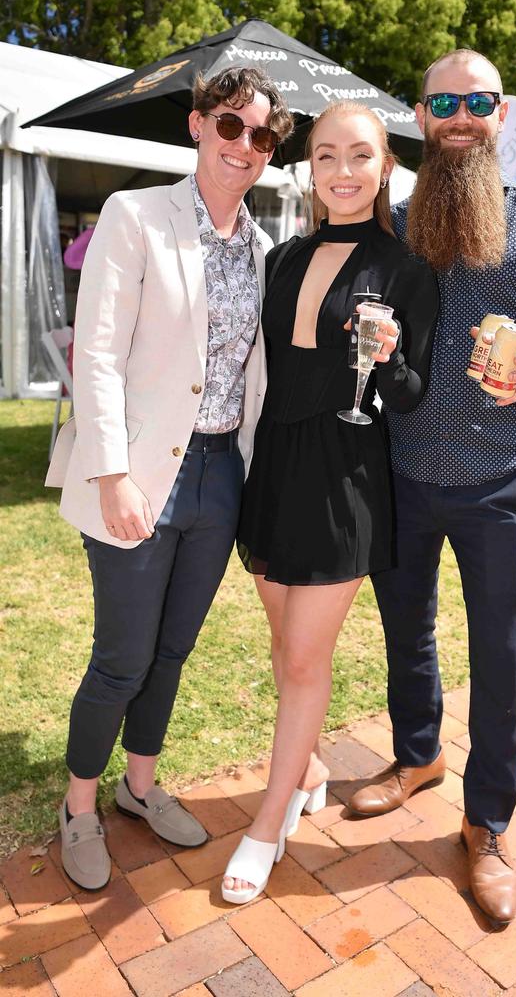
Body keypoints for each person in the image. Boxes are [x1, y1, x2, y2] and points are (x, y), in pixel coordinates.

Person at [347, 49, 516, 926]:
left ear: (501, 116)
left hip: (499, 481)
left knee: (501, 656)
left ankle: (487, 824)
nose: (460, 115)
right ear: (422, 117)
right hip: (403, 472)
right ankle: (416, 757)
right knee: (405, 633)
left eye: (478, 102)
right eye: (443, 101)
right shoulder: (398, 222)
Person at [45, 67, 293, 891]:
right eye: (232, 126)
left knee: (174, 651)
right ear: (197, 126)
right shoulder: (135, 215)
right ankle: (79, 805)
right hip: (142, 471)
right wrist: (112, 473)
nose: (245, 146)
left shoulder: (263, 250)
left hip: (223, 474)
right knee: (122, 656)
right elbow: (101, 351)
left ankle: (138, 787)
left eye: (262, 136)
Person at [221, 100, 439, 904]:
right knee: (283, 649)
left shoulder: (407, 267)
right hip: (274, 468)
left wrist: (387, 362)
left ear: (385, 166)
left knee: (307, 660)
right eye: (325, 157)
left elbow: (412, 395)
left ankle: (268, 822)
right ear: (307, 168)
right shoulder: (282, 257)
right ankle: (308, 767)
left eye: (359, 156)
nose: (342, 173)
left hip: (347, 477)